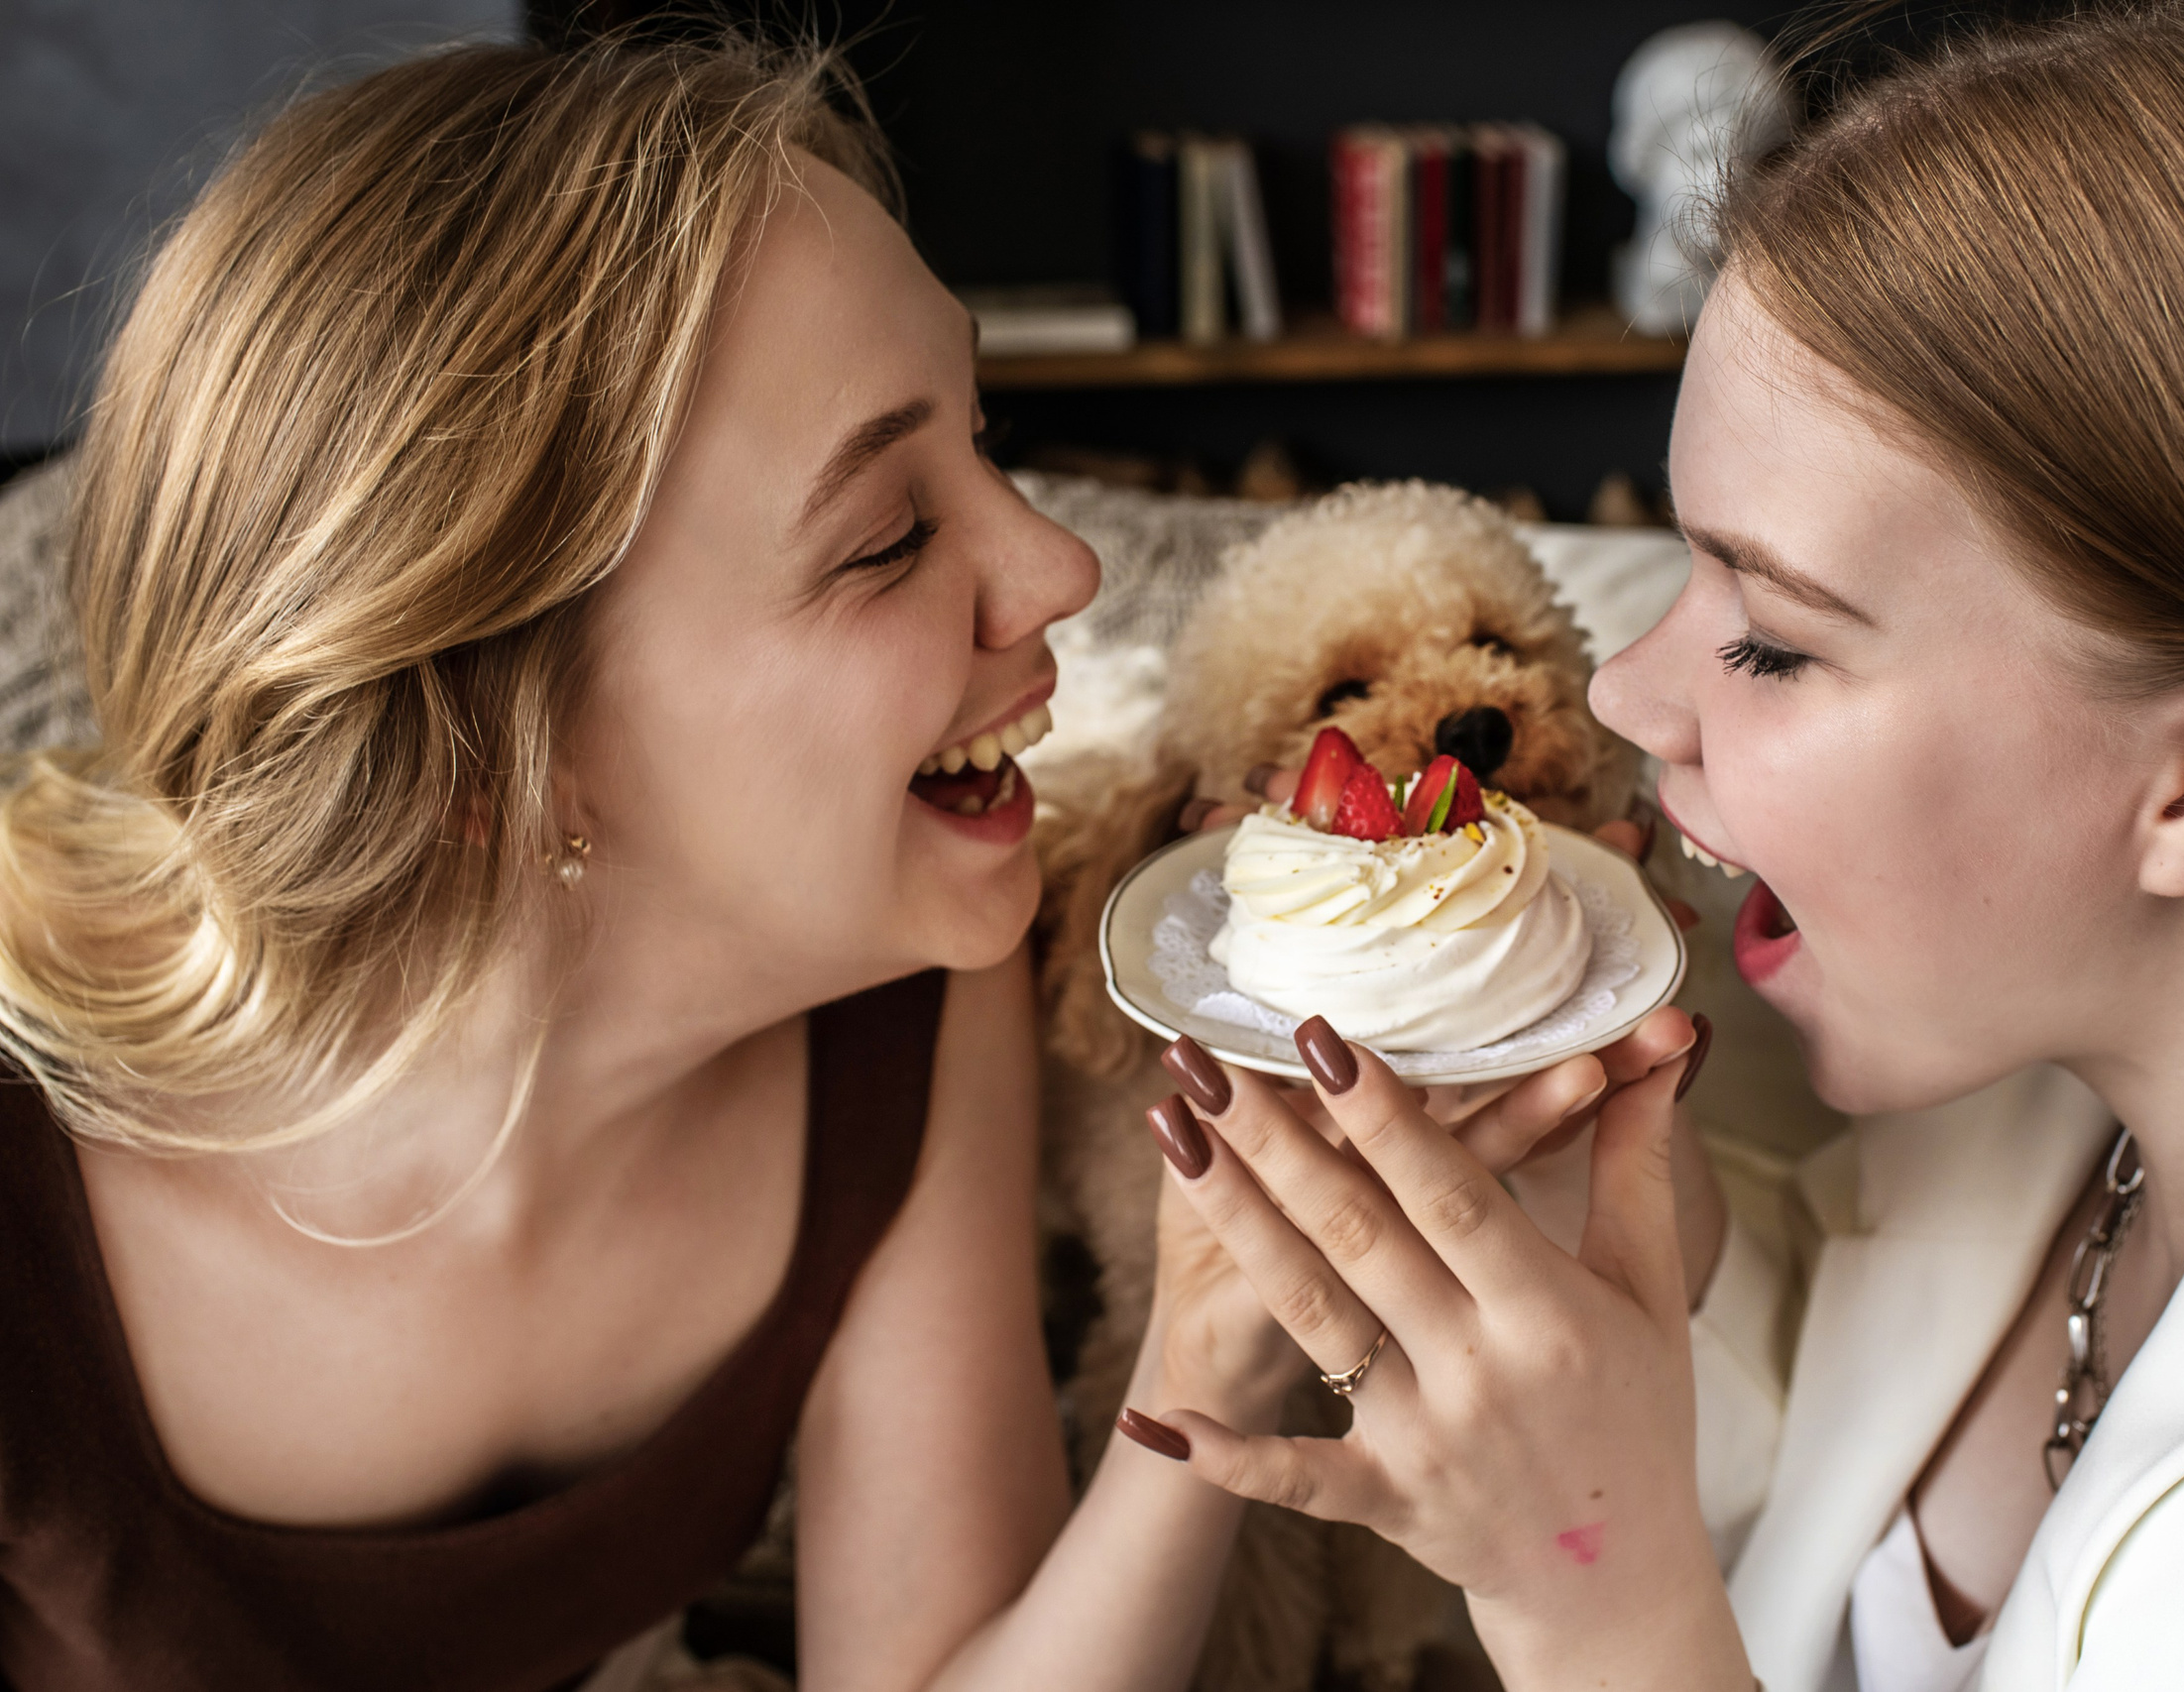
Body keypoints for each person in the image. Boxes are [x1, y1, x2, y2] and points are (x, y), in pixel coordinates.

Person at [0, 35, 1693, 1692]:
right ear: (482, 760)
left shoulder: (902, 975)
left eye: (989, 437)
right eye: (886, 538)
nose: (1061, 564)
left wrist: (1218, 1335)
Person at [1116, 3, 2184, 1687]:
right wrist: (1597, 1216)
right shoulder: (2057, 1117)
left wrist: (1592, 1601)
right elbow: (1807, 1450)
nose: (1632, 689)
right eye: (1680, 563)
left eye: (1772, 638)